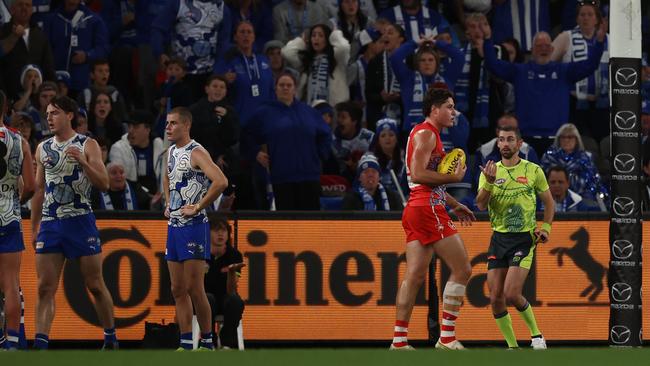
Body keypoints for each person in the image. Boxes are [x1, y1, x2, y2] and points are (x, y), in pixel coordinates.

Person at [391, 88, 475, 351]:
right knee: (463, 269)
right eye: (449, 107)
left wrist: (454, 203)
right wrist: (452, 179)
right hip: (427, 208)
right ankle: (447, 338)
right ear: (434, 109)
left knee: (414, 276)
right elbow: (417, 174)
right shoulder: (428, 134)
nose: (454, 112)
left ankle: (399, 341)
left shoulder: (424, 133)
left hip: (417, 206)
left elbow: (420, 181)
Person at [30, 95, 117, 350]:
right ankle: (41, 343)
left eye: (54, 113)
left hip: (80, 220)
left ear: (69, 115)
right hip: (51, 222)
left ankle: (110, 337)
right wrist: (35, 226)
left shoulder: (87, 144)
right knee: (45, 287)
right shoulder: (42, 148)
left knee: (95, 284)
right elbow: (38, 190)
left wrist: (82, 162)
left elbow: (104, 184)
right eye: (47, 114)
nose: (49, 118)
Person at [475, 125, 554, 350]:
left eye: (511, 139)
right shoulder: (490, 171)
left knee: (511, 293)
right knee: (495, 298)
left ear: (519, 144)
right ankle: (512, 347)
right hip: (499, 239)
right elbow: (480, 204)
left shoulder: (533, 170)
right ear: (498, 144)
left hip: (524, 239)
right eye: (502, 139)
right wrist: (489, 182)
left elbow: (549, 202)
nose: (506, 144)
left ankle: (537, 336)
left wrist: (546, 228)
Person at [480, 21, 606, 154]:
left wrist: (599, 42)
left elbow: (590, 65)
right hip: (526, 139)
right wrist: (487, 38)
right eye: (539, 46)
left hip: (556, 140)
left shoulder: (564, 71)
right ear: (532, 50)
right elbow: (494, 65)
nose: (543, 49)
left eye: (547, 46)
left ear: (552, 50)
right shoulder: (520, 71)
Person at [163, 107, 228, 350]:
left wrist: (199, 205)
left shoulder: (196, 152)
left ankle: (208, 340)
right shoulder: (170, 152)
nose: (168, 128)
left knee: (194, 287)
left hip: (193, 227)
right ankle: (186, 342)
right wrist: (169, 202)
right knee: (177, 288)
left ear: (186, 126)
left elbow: (221, 181)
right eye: (167, 123)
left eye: (173, 123)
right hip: (174, 226)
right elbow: (167, 178)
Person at [245, 72, 332, 211]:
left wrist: (320, 155)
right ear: (276, 88)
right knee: (285, 224)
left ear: (294, 89)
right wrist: (256, 153)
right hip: (280, 178)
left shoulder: (308, 112)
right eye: (281, 85)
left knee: (310, 222)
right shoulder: (263, 113)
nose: (285, 88)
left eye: (289, 85)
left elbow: (326, 134)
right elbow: (246, 135)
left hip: (308, 176)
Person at [0, 91, 35, 350]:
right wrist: (15, 198)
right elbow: (32, 186)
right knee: (11, 283)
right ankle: (12, 343)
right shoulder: (20, 140)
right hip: (9, 215)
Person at [551, 0, 609, 142]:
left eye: (590, 14)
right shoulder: (566, 37)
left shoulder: (609, 39)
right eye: (582, 15)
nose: (586, 18)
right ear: (577, 18)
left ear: (597, 19)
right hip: (574, 102)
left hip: (602, 102)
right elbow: (549, 63)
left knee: (603, 140)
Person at [282, 23, 350, 107]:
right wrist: (301, 41)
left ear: (328, 39)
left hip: (334, 108)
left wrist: (335, 34)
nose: (316, 38)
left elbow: (344, 47)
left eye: (321, 36)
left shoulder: (336, 57)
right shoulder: (307, 60)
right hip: (312, 108)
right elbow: (287, 53)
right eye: (313, 35)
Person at [0, 0, 55, 101]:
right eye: (20, 4)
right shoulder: (2, 32)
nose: (24, 8)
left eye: (28, 5)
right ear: (12, 9)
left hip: (37, 99)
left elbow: (48, 67)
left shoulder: (40, 35)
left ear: (32, 10)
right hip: (8, 97)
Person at [204, 215, 245, 349]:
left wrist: (232, 272)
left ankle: (227, 339)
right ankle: (209, 339)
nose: (220, 234)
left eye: (224, 231)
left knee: (235, 300)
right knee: (207, 299)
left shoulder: (235, 255)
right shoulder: (199, 253)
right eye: (216, 230)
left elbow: (231, 290)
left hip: (224, 298)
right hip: (204, 299)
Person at [540, 123, 607, 204]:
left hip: (582, 199)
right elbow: (541, 181)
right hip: (552, 198)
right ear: (558, 139)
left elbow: (594, 182)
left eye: (570, 137)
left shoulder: (585, 158)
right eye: (563, 137)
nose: (566, 140)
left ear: (576, 139)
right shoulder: (549, 156)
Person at [109, 110, 165, 198]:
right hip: (131, 199)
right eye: (129, 126)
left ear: (147, 129)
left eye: (135, 127)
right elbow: (119, 181)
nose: (130, 130)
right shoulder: (118, 148)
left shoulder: (159, 147)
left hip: (157, 201)